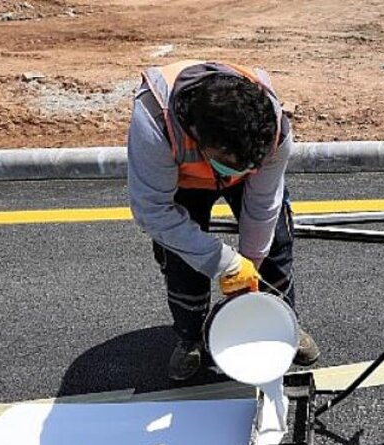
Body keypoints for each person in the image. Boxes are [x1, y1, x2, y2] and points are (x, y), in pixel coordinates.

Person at [127, 60, 319, 381]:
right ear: (201, 138)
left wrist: (251, 264)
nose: (241, 171)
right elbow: (152, 211)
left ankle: (282, 323)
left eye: (249, 164)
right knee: (183, 260)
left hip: (241, 164)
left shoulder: (273, 132)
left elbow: (262, 204)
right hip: (182, 182)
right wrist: (226, 263)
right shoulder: (155, 122)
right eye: (233, 164)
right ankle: (191, 337)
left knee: (277, 245)